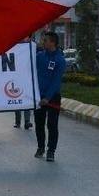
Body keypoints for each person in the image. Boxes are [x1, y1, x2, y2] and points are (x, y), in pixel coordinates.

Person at [34, 31, 66, 162]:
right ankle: (40, 147)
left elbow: (56, 81)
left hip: (53, 97)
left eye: (45, 40)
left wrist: (47, 98)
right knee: (39, 124)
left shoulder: (60, 60)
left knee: (52, 125)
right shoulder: (39, 56)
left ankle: (51, 151)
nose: (43, 42)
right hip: (38, 96)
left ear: (53, 42)